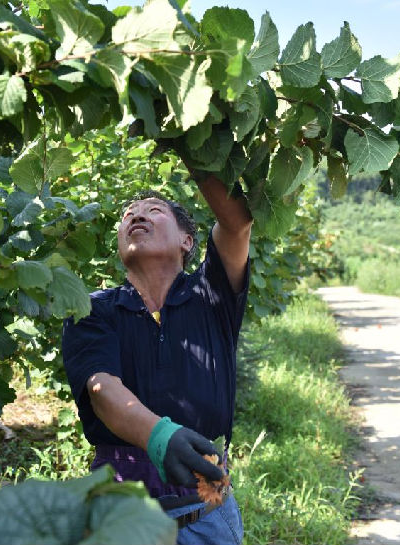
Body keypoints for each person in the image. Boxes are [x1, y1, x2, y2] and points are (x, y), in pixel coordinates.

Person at [61, 172, 253, 545]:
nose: (137, 216)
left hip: (207, 518)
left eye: (154, 210)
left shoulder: (211, 295)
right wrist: (160, 436)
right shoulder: (93, 310)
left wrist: (193, 147)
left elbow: (237, 222)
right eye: (129, 214)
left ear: (186, 241)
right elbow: (103, 390)